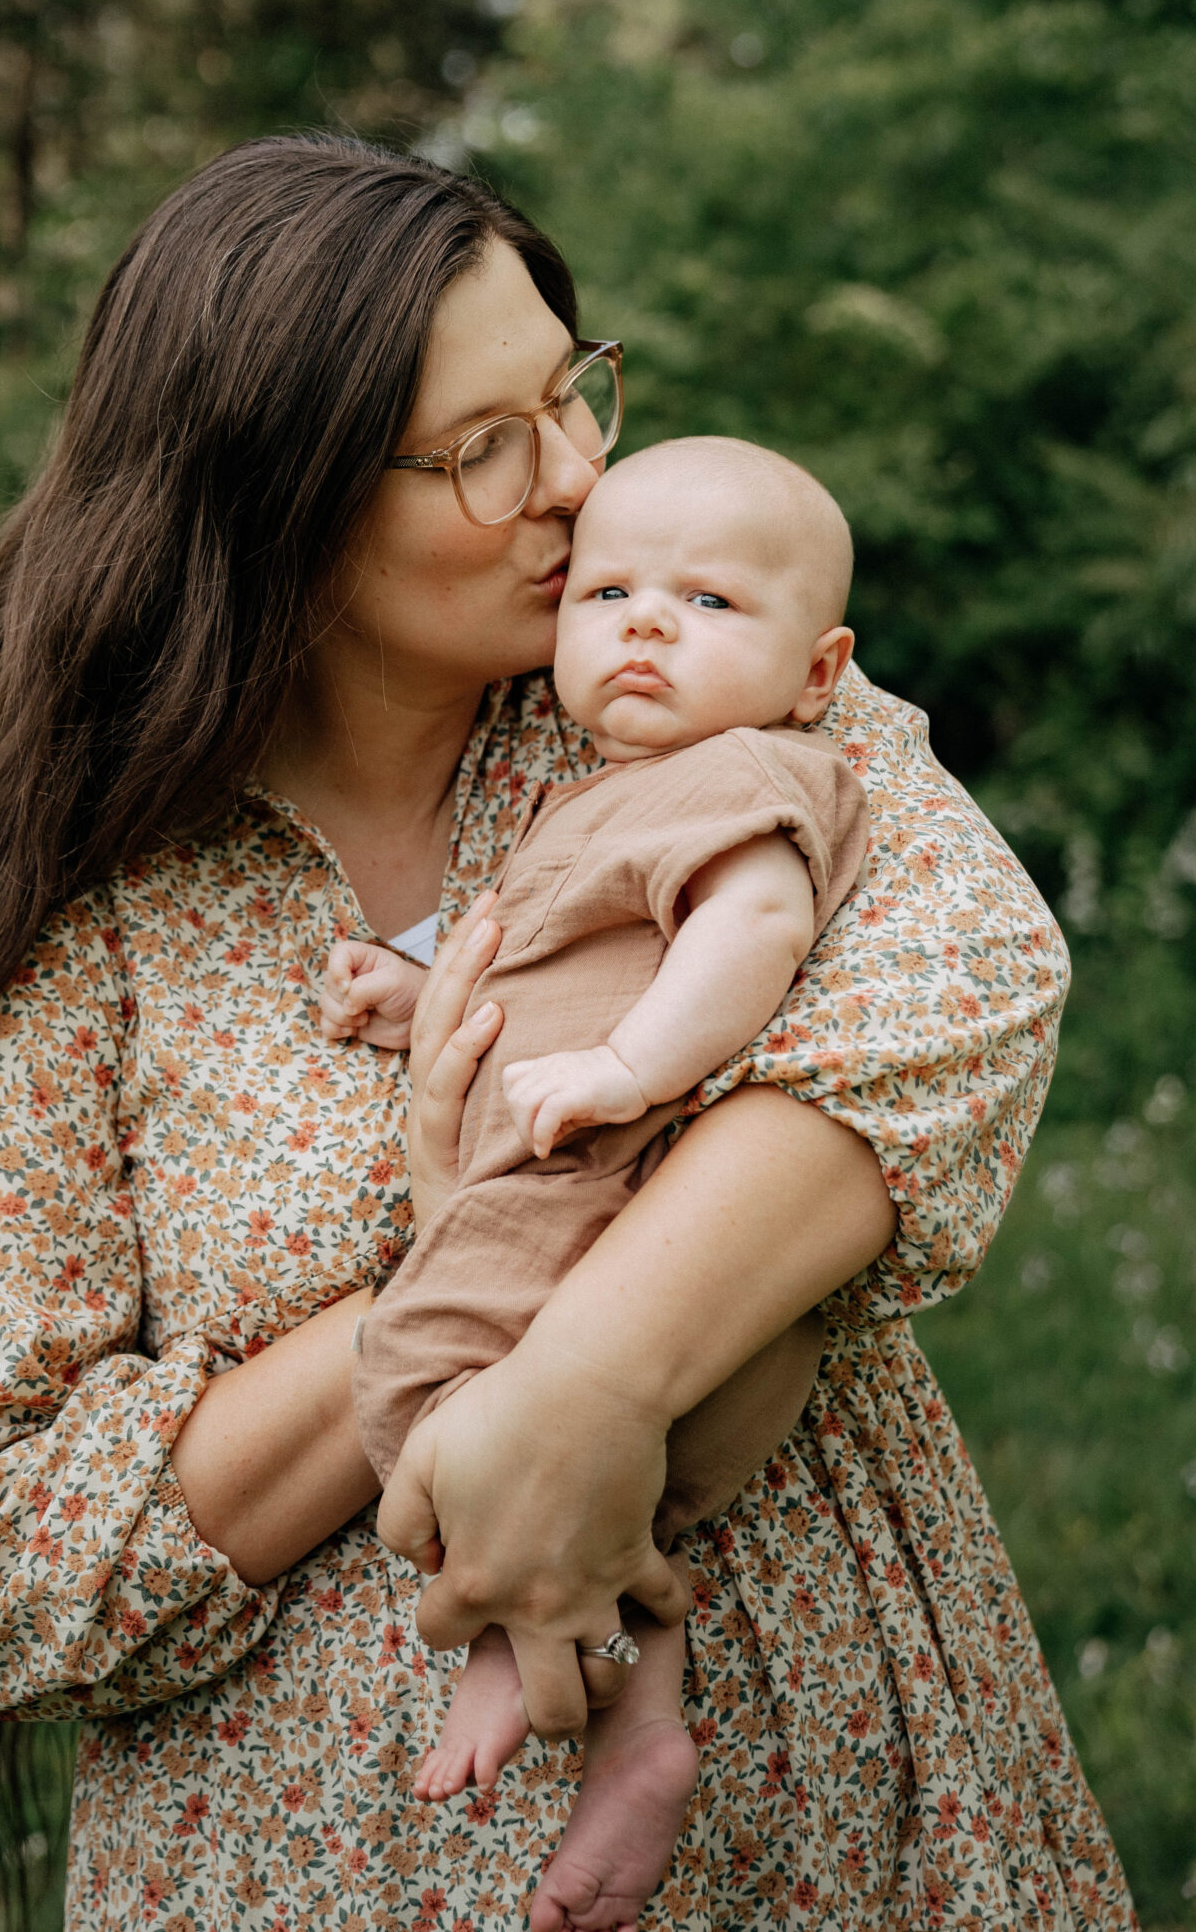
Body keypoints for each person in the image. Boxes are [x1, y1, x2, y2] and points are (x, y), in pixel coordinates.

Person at [0, 134, 1136, 1932]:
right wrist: (426, 1299)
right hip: (345, 1871)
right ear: (276, 503)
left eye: (572, 394)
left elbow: (959, 974)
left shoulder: (676, 690)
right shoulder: (95, 929)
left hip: (843, 1821)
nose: (578, 482)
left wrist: (587, 1382)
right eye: (485, 449)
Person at [334, 436, 868, 1931]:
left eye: (705, 602)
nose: (643, 624)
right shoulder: (588, 798)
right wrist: (411, 987)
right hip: (567, 1199)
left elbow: (745, 935)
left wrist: (630, 1070)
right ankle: (628, 1711)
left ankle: (546, 1664)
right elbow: (542, 937)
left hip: (617, 1196)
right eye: (613, 592)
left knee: (423, 1385)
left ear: (817, 672)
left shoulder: (756, 773)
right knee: (476, 1420)